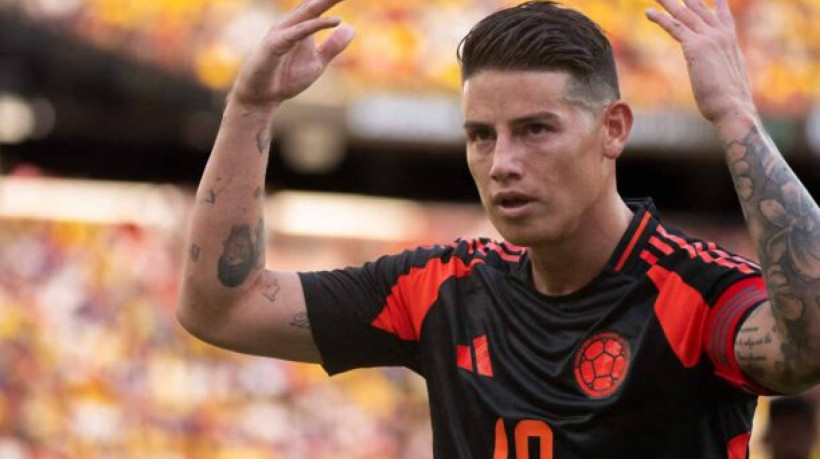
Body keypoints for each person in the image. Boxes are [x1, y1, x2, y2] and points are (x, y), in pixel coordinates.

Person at [177, 0, 820, 456]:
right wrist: (251, 105)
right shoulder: (441, 288)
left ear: (613, 129)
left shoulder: (699, 292)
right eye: (481, 136)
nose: (502, 163)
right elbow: (220, 306)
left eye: (535, 130)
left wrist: (735, 114)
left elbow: (810, 345)